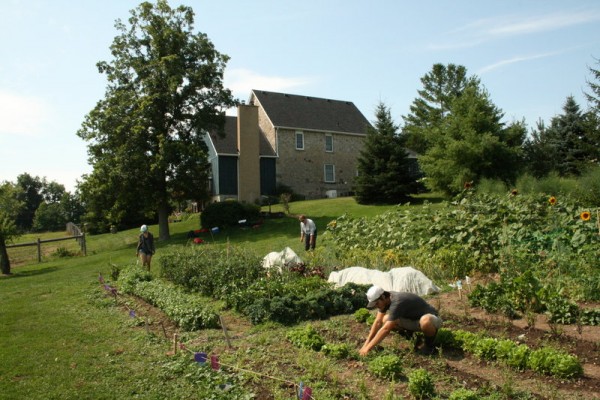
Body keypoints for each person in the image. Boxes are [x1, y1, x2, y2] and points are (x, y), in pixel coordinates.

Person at [359, 285, 442, 356]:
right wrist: (366, 344)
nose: (376, 306)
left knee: (425, 321)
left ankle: (429, 346)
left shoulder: (397, 301)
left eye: (377, 303)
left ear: (383, 297)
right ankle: (416, 340)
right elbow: (378, 322)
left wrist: (368, 349)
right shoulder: (386, 300)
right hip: (413, 321)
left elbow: (386, 329)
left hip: (433, 319)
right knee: (386, 319)